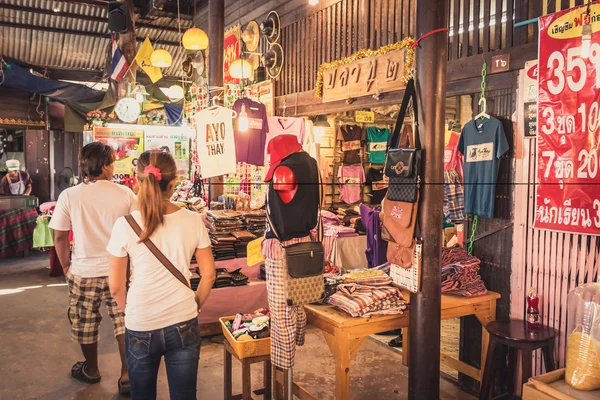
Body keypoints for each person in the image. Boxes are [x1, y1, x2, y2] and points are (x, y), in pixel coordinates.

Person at [107, 151, 216, 400]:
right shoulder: (193, 220)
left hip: (140, 322)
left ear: (137, 181)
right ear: (174, 183)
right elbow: (208, 275)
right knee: (184, 395)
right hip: (183, 319)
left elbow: (115, 287)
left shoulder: (124, 225)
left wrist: (132, 311)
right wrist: (194, 304)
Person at [49, 142, 136, 395]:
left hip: (83, 271)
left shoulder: (70, 195)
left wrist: (66, 265)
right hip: (119, 269)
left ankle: (92, 369)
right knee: (124, 322)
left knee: (85, 322)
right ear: (107, 165)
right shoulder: (125, 195)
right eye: (113, 162)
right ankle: (127, 374)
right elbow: (139, 230)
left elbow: (60, 237)